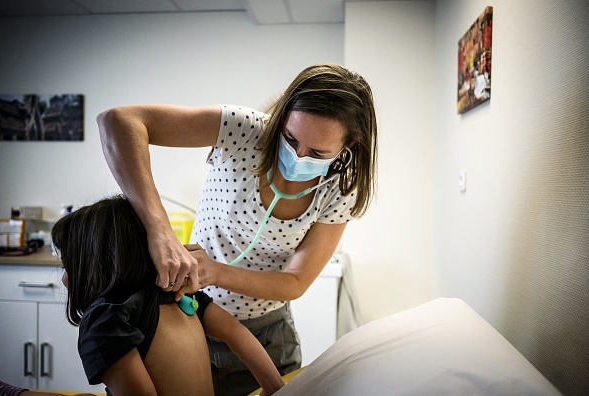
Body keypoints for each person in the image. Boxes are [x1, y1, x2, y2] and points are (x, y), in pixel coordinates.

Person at [97, 63, 378, 395]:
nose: (298, 156)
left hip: (268, 336)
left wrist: (215, 272)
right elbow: (119, 121)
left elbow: (295, 281)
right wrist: (159, 229)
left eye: (318, 153)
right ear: (283, 116)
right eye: (289, 138)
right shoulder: (244, 130)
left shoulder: (341, 189)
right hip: (187, 319)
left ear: (348, 148)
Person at [49, 195, 284, 396]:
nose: (64, 278)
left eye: (66, 265)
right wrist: (274, 387)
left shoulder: (106, 320)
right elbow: (235, 331)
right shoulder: (176, 292)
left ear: (93, 265)